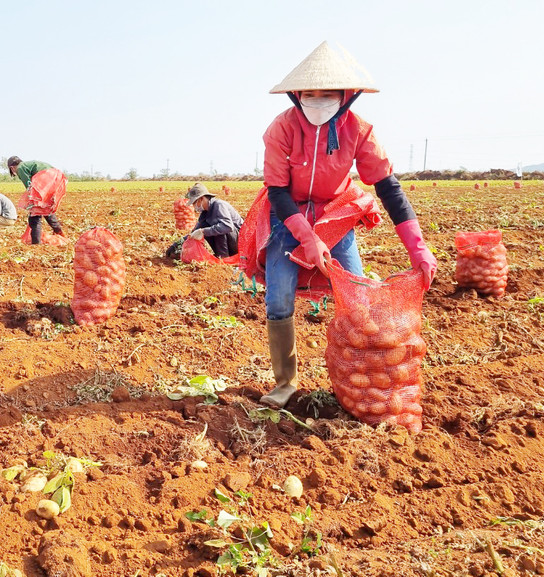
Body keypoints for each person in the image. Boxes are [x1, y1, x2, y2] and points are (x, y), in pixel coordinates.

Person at [254, 41, 437, 408]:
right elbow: (277, 190)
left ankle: (361, 383)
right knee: (279, 296)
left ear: (346, 96)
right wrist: (307, 239)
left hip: (335, 214)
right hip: (286, 216)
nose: (317, 100)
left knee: (358, 300)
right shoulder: (282, 129)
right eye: (309, 93)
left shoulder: (360, 130)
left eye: (327, 94)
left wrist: (419, 249)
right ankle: (285, 383)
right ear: (296, 95)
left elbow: (389, 188)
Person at [7, 156, 66, 244]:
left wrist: (31, 201)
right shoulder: (27, 165)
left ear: (12, 167)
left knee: (35, 214)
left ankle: (36, 243)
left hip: (45, 177)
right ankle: (60, 233)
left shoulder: (20, 168)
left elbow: (29, 186)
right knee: (45, 208)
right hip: (55, 177)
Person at [186, 183, 244, 257]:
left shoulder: (219, 205)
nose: (194, 206)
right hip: (230, 241)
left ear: (201, 198)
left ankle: (223, 258)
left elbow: (228, 226)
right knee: (204, 227)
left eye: (194, 203)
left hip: (239, 241)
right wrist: (176, 245)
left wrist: (203, 231)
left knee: (216, 228)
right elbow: (195, 231)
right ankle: (220, 256)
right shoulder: (205, 213)